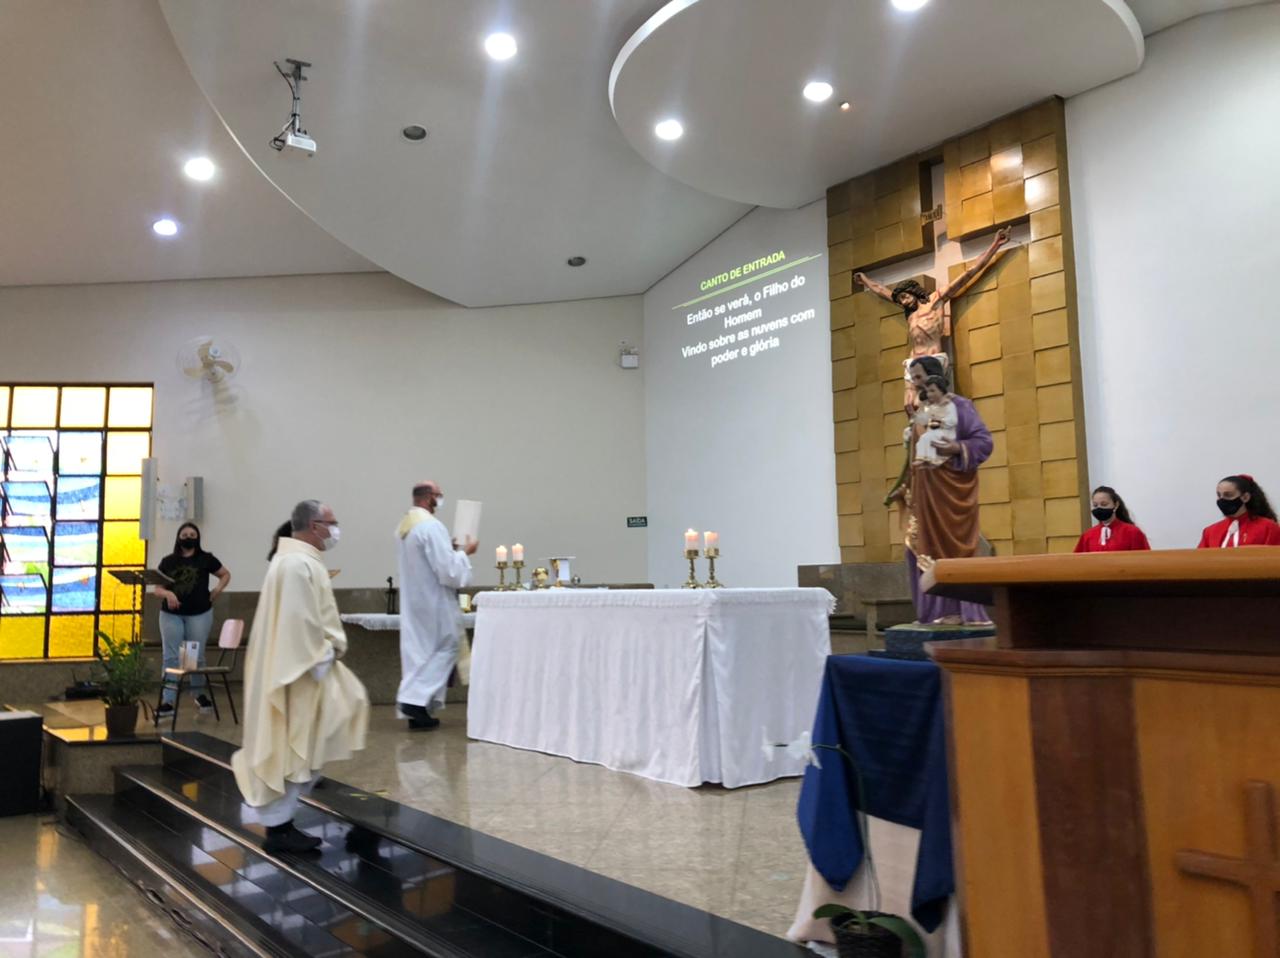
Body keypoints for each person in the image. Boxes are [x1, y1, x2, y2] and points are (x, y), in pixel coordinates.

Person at [232, 499, 369, 854]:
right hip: (301, 669)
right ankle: (279, 828)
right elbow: (298, 622)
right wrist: (321, 652)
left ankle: (284, 819)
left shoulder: (295, 560)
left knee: (336, 717)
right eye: (332, 522)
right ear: (313, 526)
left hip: (302, 664)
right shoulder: (295, 564)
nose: (336, 529)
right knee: (299, 741)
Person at [855, 225, 1012, 411]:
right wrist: (864, 279)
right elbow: (882, 291)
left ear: (913, 292)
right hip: (913, 362)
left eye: (905, 297)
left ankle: (940, 432)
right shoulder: (910, 313)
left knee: (928, 405)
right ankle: (919, 438)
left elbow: (969, 272)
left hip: (933, 360)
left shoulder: (935, 300)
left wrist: (995, 244)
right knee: (909, 405)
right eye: (900, 300)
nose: (903, 302)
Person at [894, 357, 993, 625]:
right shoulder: (922, 412)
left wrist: (955, 449)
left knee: (952, 549)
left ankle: (961, 612)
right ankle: (932, 612)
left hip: (951, 493)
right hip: (924, 494)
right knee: (917, 547)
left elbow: (983, 442)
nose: (914, 383)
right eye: (912, 378)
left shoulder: (960, 406)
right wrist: (905, 487)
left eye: (918, 377)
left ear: (934, 376)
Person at [395, 480, 477, 730]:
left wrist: (448, 549)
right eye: (439, 496)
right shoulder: (431, 526)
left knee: (421, 654)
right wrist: (465, 553)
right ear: (429, 497)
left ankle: (421, 712)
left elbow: (429, 559)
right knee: (447, 647)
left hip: (416, 600)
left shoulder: (405, 526)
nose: (441, 500)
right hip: (434, 601)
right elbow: (449, 572)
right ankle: (412, 700)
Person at [153, 522, 230, 719]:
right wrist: (168, 594)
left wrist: (216, 591)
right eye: (185, 534)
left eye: (192, 534)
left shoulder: (206, 559)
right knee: (171, 657)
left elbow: (225, 574)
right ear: (179, 538)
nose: (188, 537)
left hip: (199, 613)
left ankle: (198, 693)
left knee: (193, 656)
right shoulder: (168, 561)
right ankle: (168, 701)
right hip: (171, 615)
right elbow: (157, 589)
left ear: (198, 538)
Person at [1197, 474, 1280, 548]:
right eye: (1219, 495)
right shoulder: (1210, 531)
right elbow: (1198, 561)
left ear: (1245, 497)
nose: (1222, 499)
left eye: (1228, 495)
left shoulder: (1268, 527)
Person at [1074, 486, 1151, 552]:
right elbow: (1077, 563)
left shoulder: (1133, 532)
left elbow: (1144, 562)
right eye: (1095, 505)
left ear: (1116, 505)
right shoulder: (1087, 536)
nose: (1099, 508)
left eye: (1104, 504)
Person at [912, 376, 958, 466]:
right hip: (933, 432)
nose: (929, 394)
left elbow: (953, 420)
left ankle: (932, 459)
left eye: (932, 391)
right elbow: (924, 420)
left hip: (946, 433)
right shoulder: (932, 407)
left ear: (941, 391)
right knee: (923, 439)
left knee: (927, 438)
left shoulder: (949, 405)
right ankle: (924, 458)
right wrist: (917, 416)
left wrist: (941, 422)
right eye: (928, 391)